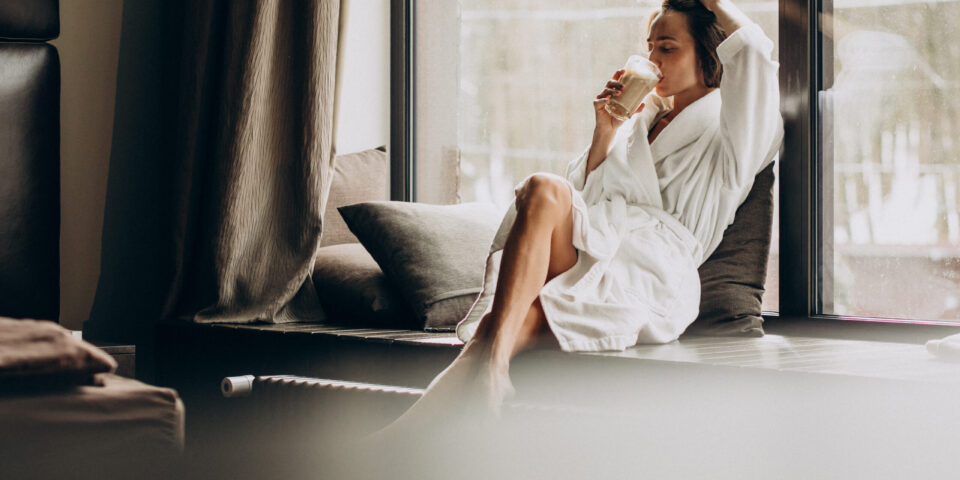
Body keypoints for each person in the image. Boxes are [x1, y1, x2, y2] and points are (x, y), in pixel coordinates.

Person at [371, 0, 783, 439]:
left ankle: (403, 436)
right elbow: (583, 200)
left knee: (501, 326)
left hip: (650, 272)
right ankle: (485, 377)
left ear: (711, 55)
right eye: (649, 47)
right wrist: (605, 132)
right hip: (596, 246)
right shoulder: (637, 124)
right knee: (542, 187)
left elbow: (755, 55)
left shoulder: (732, 135)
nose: (652, 60)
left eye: (667, 48)